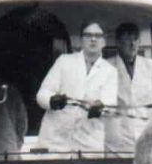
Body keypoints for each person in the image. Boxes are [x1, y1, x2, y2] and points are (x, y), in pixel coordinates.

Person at [35, 20, 117, 154]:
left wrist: (100, 107)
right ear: (81, 40)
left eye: (98, 35)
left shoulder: (110, 72)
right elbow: (42, 94)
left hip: (89, 145)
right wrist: (52, 100)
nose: (93, 39)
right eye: (88, 35)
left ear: (104, 41)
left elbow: (111, 105)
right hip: (54, 142)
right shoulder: (64, 61)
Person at [105, 22, 152, 155]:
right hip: (117, 139)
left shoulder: (151, 66)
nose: (132, 44)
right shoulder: (106, 67)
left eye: (135, 39)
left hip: (144, 134)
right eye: (127, 39)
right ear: (118, 42)